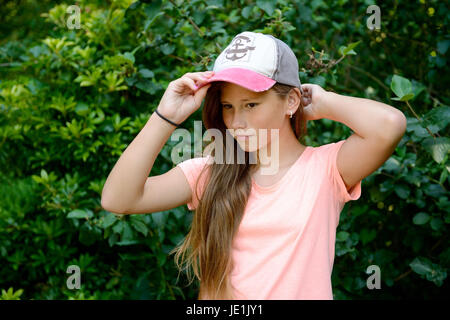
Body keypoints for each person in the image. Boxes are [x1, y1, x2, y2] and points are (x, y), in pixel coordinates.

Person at [101, 31, 407, 300]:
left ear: (290, 101)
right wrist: (165, 116)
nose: (237, 121)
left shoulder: (325, 168)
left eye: (251, 104)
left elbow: (389, 125)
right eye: (228, 106)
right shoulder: (209, 172)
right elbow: (118, 199)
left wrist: (324, 102)